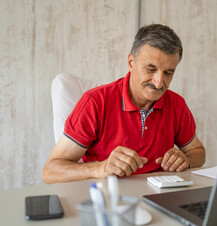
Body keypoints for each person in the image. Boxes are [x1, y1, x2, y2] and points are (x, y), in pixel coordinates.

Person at [42, 24, 206, 184]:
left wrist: (186, 159)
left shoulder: (176, 104)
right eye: (150, 69)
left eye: (168, 73)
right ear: (130, 62)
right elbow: (50, 171)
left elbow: (197, 152)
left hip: (160, 198)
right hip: (109, 199)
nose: (158, 83)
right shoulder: (94, 102)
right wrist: (101, 168)